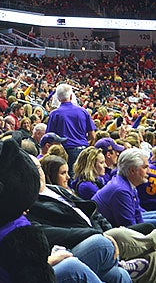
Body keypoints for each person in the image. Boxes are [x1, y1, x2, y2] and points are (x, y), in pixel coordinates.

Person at [29, 155, 152, 283]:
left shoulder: (56, 189)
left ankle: (117, 263)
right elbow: (59, 232)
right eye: (63, 173)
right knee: (104, 244)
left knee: (120, 274)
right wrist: (97, 233)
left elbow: (92, 212)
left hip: (95, 232)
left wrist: (102, 230)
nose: (68, 177)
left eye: (38, 168)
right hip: (83, 240)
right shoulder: (31, 203)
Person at [93, 148, 156, 227]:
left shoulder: (126, 183)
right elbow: (130, 227)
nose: (148, 171)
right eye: (145, 167)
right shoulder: (121, 191)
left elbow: (137, 215)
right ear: (132, 170)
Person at [46, 84, 96, 174]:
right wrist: (82, 142)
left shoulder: (54, 114)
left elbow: (50, 137)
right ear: (71, 96)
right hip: (84, 151)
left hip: (66, 153)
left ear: (57, 98)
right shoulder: (83, 111)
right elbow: (92, 135)